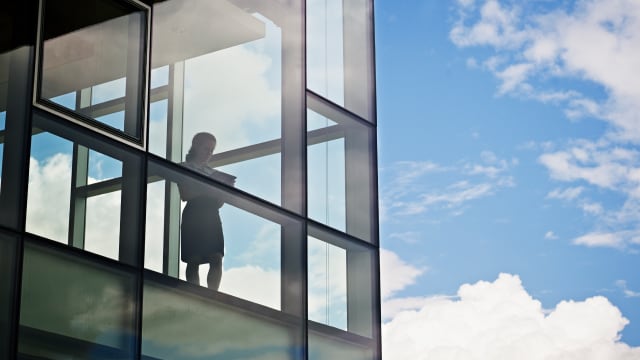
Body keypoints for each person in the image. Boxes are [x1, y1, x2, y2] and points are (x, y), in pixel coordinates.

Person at [178, 132, 235, 290]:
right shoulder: (184, 167)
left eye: (211, 150)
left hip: (211, 215)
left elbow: (218, 204)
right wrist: (208, 190)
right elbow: (185, 194)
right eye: (206, 149)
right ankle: (195, 294)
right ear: (195, 146)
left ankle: (213, 295)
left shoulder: (212, 173)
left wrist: (223, 193)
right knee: (193, 259)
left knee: (216, 257)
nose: (209, 153)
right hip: (194, 214)